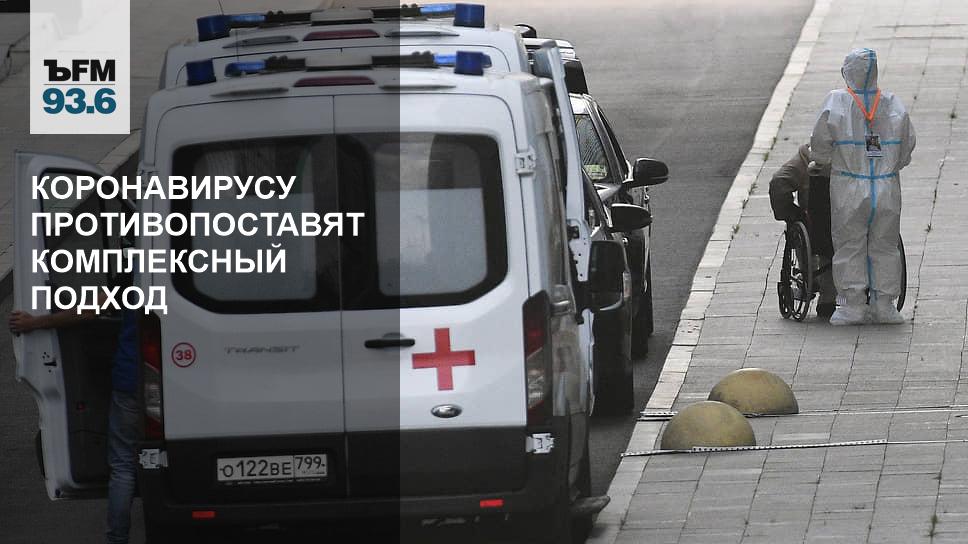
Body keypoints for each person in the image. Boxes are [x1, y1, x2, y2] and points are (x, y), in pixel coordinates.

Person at [9, 304, 138, 544]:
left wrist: (34, 323)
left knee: (123, 467)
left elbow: (88, 311)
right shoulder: (176, 284)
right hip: (172, 381)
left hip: (131, 382)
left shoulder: (134, 283)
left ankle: (117, 539)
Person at [810, 48, 916, 325]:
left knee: (849, 244)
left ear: (847, 72)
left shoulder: (836, 101)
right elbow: (907, 147)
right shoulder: (892, 103)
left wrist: (828, 161)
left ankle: (852, 306)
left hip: (849, 185)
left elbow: (819, 146)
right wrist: (888, 166)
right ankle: (885, 306)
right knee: (885, 245)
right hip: (886, 186)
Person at [769, 143, 837, 319]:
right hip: (853, 221)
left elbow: (779, 183)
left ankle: (814, 281)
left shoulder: (808, 155)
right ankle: (832, 292)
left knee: (806, 225)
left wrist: (789, 213)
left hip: (817, 224)